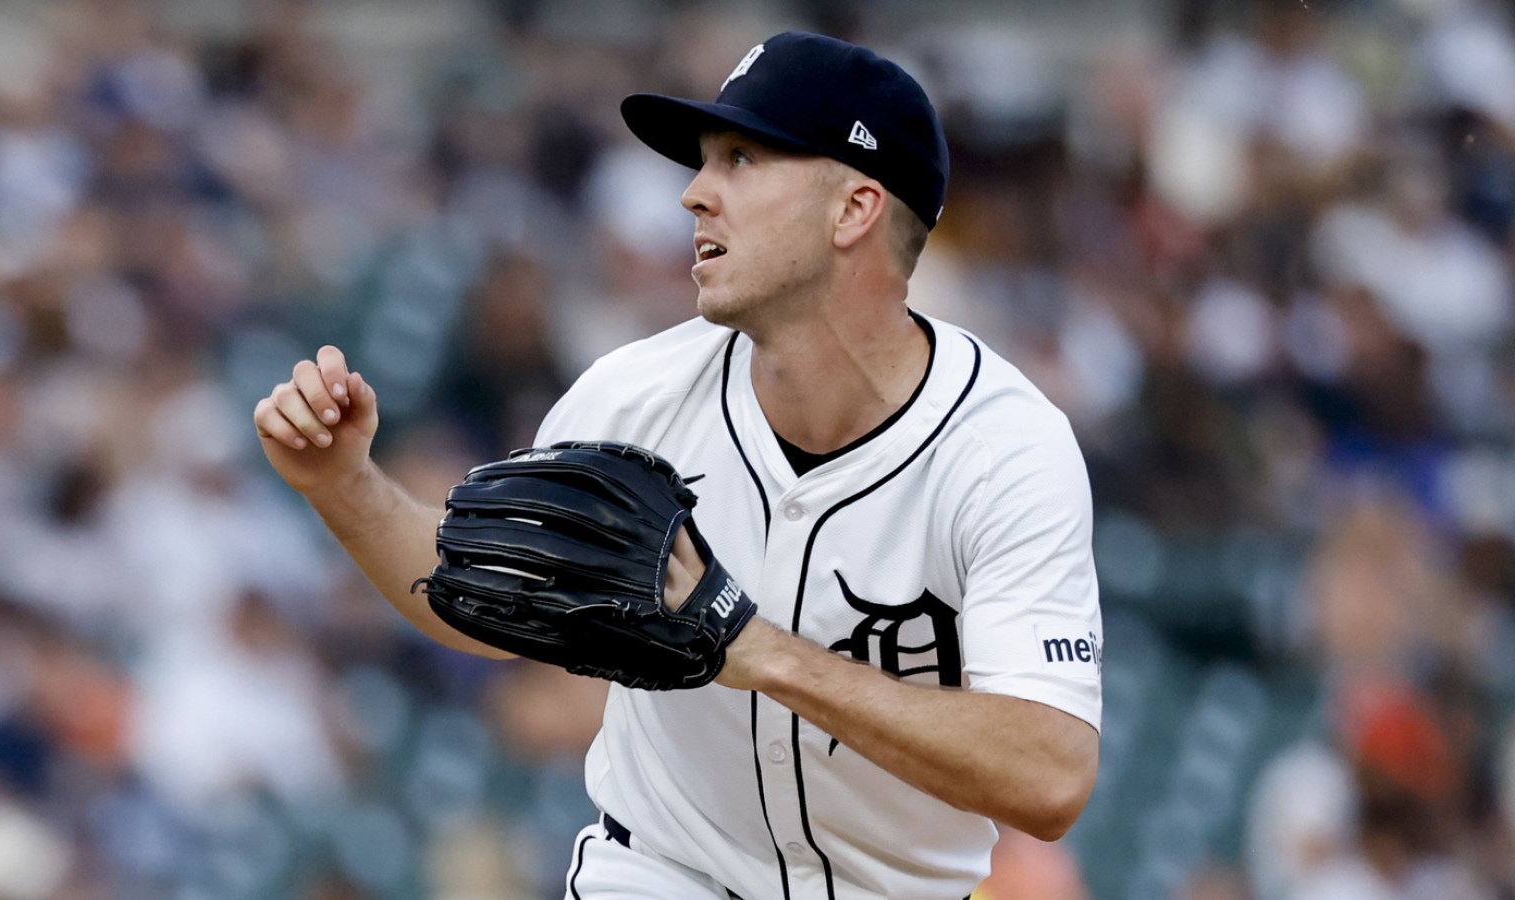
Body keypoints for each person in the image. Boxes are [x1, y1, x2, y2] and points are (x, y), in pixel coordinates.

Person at [254, 31, 1101, 900]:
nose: (695, 194)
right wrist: (343, 483)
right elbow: (475, 599)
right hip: (660, 874)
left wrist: (754, 646)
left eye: (740, 159)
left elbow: (1050, 776)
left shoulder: (1005, 450)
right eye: (703, 162)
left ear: (854, 210)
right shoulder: (636, 398)